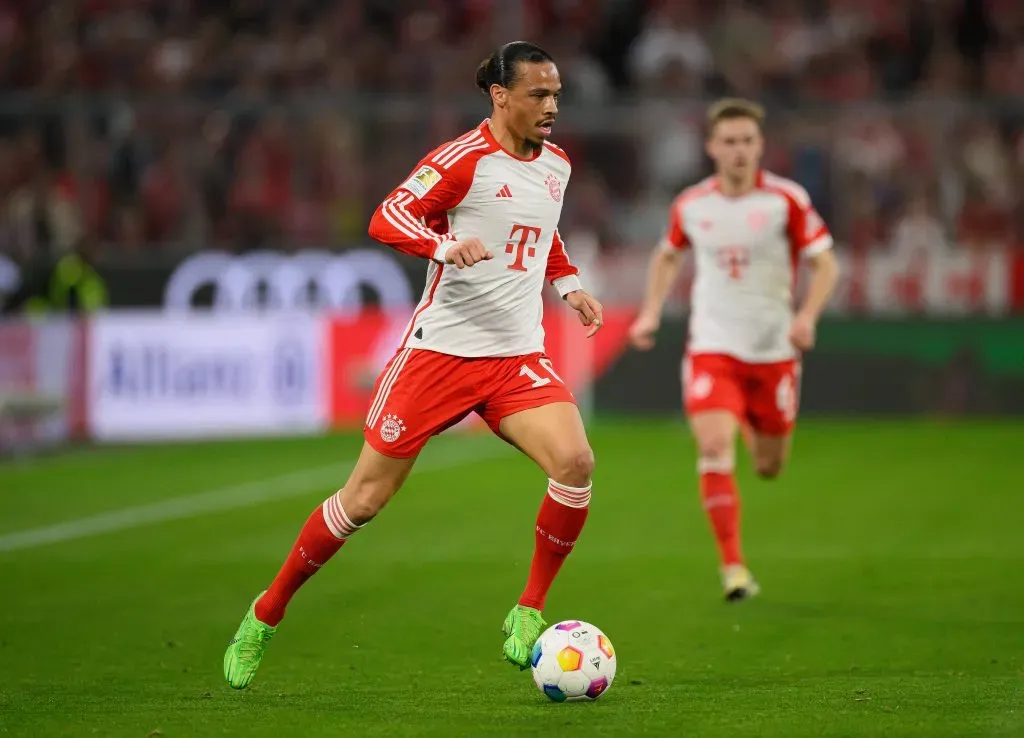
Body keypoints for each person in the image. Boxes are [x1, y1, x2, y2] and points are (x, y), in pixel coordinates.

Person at [223, 41, 604, 689]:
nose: (551, 107)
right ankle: (266, 612)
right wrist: (442, 242)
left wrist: (568, 287)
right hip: (440, 357)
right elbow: (388, 215)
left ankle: (528, 608)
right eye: (538, 95)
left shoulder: (556, 166)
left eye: (556, 95)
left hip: (515, 357)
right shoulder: (462, 160)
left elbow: (544, 232)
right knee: (364, 500)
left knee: (576, 465)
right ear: (500, 96)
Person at [628, 98, 839, 602]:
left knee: (769, 466)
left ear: (760, 146)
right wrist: (650, 312)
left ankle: (745, 416)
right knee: (714, 449)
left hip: (773, 350)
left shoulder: (786, 200)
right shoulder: (692, 204)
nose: (739, 150)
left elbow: (826, 263)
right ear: (712, 147)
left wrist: (807, 316)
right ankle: (734, 568)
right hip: (713, 347)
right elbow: (666, 256)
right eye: (729, 141)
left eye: (747, 141)